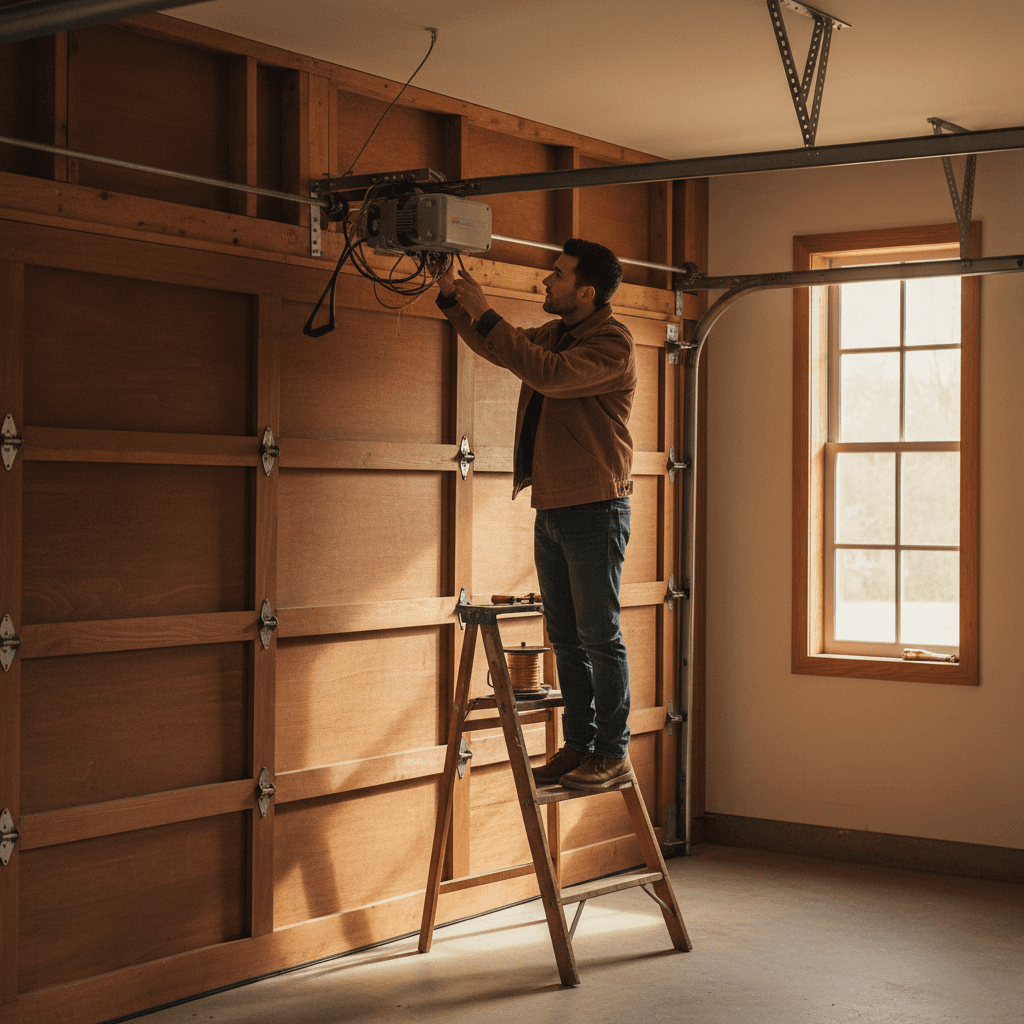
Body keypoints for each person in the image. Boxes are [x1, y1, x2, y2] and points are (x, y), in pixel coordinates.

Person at [435, 238, 636, 791]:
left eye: (559, 274)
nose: (547, 282)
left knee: (600, 637)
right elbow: (504, 349)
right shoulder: (559, 333)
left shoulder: (611, 345)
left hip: (595, 508)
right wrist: (452, 300)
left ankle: (612, 751)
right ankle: (579, 745)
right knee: (565, 637)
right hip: (552, 506)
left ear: (587, 291)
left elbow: (545, 373)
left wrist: (482, 306)